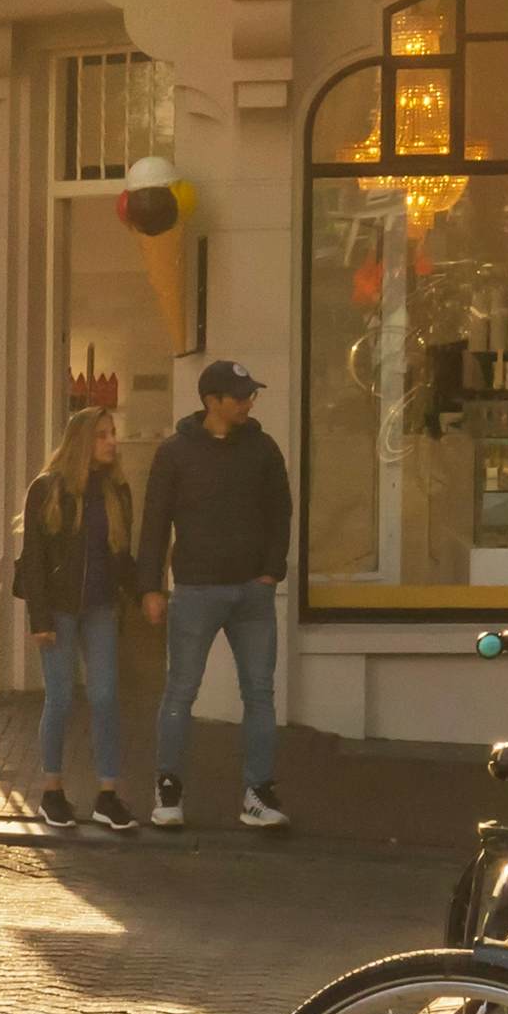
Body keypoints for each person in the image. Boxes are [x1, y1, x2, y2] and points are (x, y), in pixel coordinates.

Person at [136, 357, 296, 833]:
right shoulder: (175, 453)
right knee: (181, 691)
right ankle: (168, 787)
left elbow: (280, 513)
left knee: (261, 695)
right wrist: (150, 587)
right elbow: (155, 522)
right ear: (212, 402)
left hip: (252, 592)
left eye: (251, 395)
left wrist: (270, 571)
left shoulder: (263, 450)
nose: (248, 403)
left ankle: (258, 793)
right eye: (240, 396)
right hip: (196, 590)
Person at [7, 395, 144, 833]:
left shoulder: (116, 490)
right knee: (61, 699)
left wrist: (144, 595)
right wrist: (40, 620)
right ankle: (52, 790)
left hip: (100, 607)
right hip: (61, 611)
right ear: (83, 441)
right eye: (103, 435)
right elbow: (33, 559)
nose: (112, 442)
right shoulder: (47, 489)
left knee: (105, 697)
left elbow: (122, 555)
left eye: (113, 434)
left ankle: (107, 794)